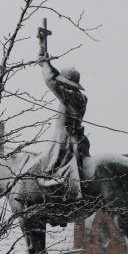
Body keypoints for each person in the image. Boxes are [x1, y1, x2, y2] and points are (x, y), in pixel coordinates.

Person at [35, 23, 90, 216]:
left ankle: (57, 196)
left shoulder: (72, 97)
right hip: (73, 136)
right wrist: (43, 52)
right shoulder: (78, 96)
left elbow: (52, 81)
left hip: (66, 139)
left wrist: (44, 63)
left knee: (50, 167)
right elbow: (56, 79)